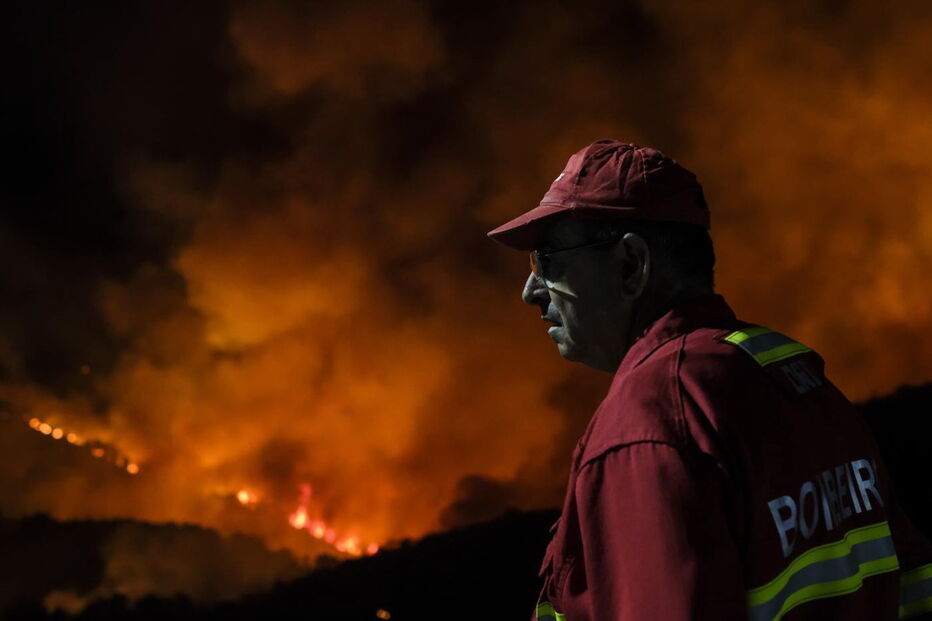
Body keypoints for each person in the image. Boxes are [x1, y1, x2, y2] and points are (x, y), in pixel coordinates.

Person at [486, 140, 932, 620]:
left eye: (548, 259)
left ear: (630, 265)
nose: (531, 290)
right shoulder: (788, 373)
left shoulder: (652, 420)